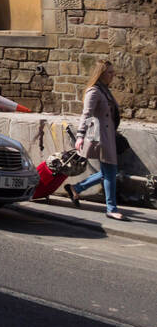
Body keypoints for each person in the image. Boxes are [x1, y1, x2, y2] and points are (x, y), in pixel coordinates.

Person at [66, 60, 126, 220]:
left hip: (108, 136)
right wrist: (80, 136)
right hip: (101, 137)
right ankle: (111, 208)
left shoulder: (105, 90)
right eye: (110, 72)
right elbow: (86, 115)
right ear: (101, 74)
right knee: (110, 172)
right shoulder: (94, 91)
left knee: (108, 172)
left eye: (113, 72)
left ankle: (76, 188)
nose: (113, 75)